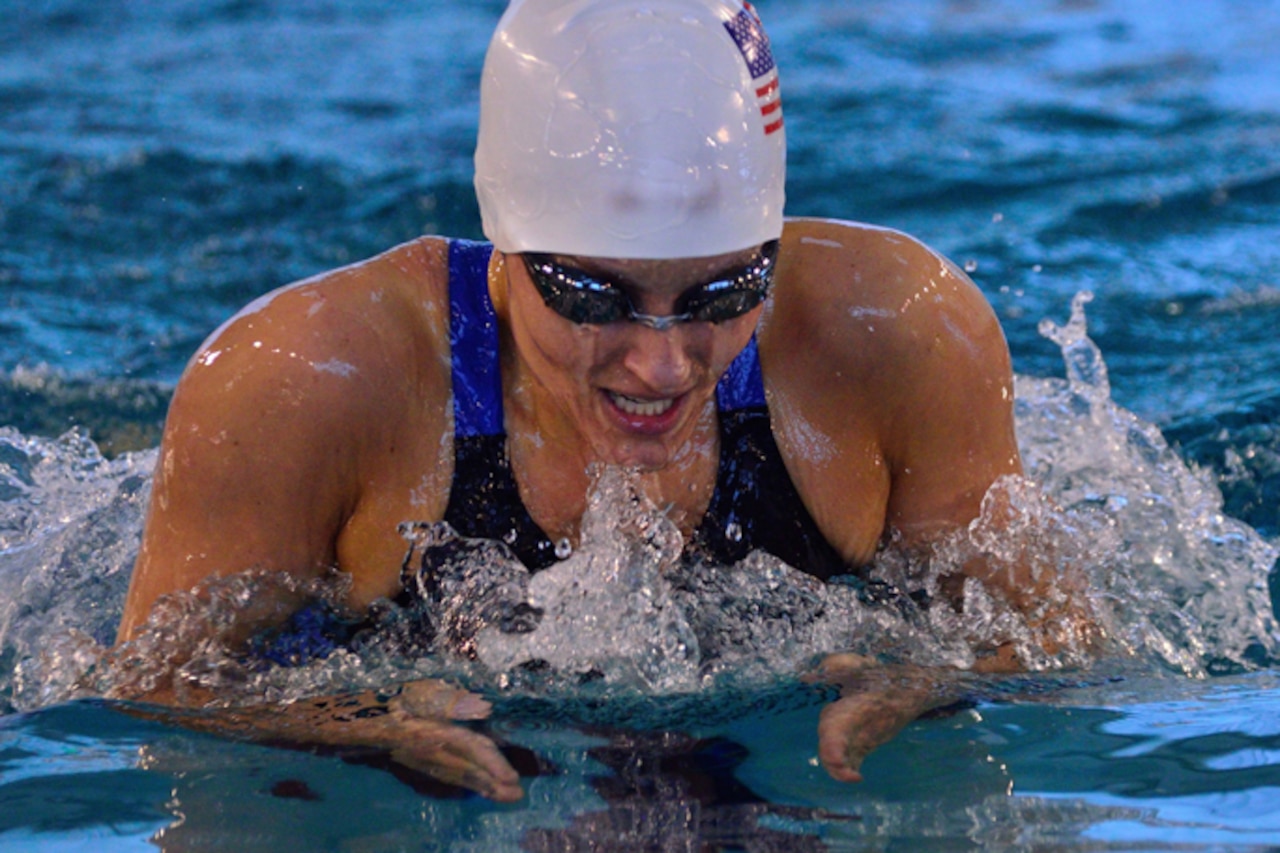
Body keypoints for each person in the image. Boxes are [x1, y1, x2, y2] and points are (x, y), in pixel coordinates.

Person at [115, 0, 1081, 802]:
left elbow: (1066, 639)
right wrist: (346, 719)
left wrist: (935, 673)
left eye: (723, 293)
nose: (662, 366)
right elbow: (151, 692)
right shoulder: (303, 384)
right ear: (507, 241)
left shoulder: (901, 335)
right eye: (593, 297)